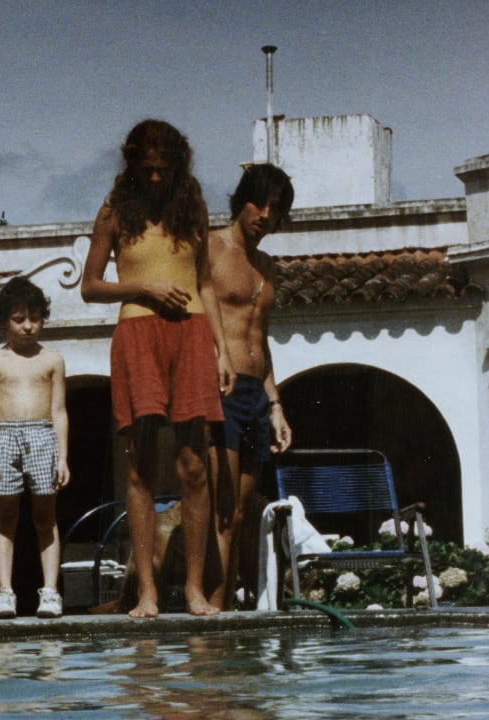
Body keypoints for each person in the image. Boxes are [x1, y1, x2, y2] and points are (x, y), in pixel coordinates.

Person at [79, 119, 233, 618]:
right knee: (142, 465)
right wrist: (143, 290)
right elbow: (90, 285)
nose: (154, 178)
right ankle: (145, 592)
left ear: (177, 165)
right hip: (138, 333)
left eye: (162, 169)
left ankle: (191, 590)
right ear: (132, 164)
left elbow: (205, 283)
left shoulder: (193, 212)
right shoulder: (113, 214)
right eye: (146, 169)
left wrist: (222, 350)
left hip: (190, 334)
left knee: (194, 467)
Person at [206, 163, 295, 609]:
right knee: (224, 511)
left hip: (257, 395)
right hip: (222, 389)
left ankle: (236, 613)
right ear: (240, 200)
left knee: (242, 514)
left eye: (275, 208)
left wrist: (275, 404)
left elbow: (262, 340)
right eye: (258, 203)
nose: (264, 214)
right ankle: (216, 616)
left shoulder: (267, 266)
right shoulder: (211, 248)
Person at [0, 277, 70, 619]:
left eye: (34, 317)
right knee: (5, 519)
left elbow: (60, 411)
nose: (28, 326)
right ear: (4, 321)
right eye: (19, 319)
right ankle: (5, 592)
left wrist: (63, 456)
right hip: (5, 437)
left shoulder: (52, 360)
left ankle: (49, 591)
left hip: (43, 436)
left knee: (46, 517)